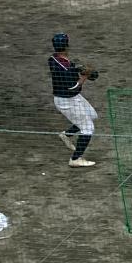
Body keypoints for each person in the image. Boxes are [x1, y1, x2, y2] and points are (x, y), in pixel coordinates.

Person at [47, 32, 100, 168]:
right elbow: (73, 88)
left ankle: (66, 135)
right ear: (67, 46)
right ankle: (76, 159)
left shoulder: (54, 58)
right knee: (88, 128)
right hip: (67, 101)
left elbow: (68, 70)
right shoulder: (65, 68)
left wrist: (78, 69)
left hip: (69, 97)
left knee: (92, 115)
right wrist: (84, 76)